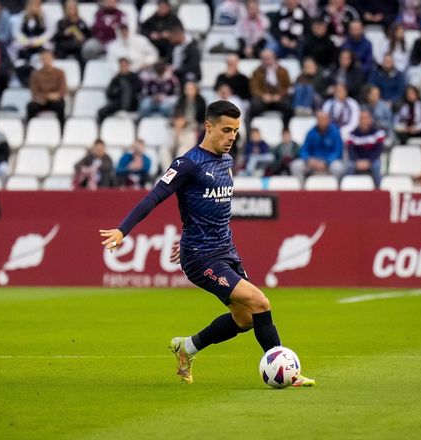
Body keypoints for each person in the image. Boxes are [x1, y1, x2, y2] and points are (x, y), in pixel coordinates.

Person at [99, 100, 315, 387]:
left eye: (236, 131)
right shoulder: (187, 164)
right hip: (201, 257)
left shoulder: (226, 161)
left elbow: (206, 208)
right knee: (260, 302)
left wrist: (188, 234)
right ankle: (287, 372)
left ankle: (187, 347)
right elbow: (153, 197)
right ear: (208, 126)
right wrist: (123, 230)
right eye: (226, 130)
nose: (232, 137)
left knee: (246, 318)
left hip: (226, 250)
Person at [290, 110, 345, 184]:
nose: (322, 122)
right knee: (296, 165)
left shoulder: (335, 133)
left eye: (324, 119)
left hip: (329, 163)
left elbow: (338, 151)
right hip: (312, 162)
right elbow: (303, 150)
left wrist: (326, 161)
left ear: (328, 120)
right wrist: (309, 160)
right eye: (320, 119)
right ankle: (302, 189)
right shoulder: (311, 132)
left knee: (338, 167)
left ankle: (336, 190)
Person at [27, 50, 67, 130]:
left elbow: (63, 89)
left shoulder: (59, 73)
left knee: (60, 105)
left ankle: (62, 129)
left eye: (48, 58)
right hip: (41, 101)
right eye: (44, 58)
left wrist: (56, 95)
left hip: (55, 100)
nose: (46, 61)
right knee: (30, 107)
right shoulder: (35, 74)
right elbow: (34, 91)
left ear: (52, 59)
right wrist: (48, 96)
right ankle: (30, 129)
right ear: (41, 60)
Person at [249, 48, 292, 125]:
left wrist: (279, 95)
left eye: (268, 58)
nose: (266, 61)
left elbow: (287, 87)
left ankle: (286, 129)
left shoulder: (283, 71)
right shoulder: (257, 72)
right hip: (264, 100)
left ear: (274, 58)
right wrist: (263, 96)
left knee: (288, 106)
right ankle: (255, 130)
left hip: (279, 98)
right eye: (264, 59)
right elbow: (254, 88)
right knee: (254, 106)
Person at [345, 110, 385, 187]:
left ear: (370, 119)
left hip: (372, 160)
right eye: (361, 118)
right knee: (349, 166)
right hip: (357, 161)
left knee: (376, 166)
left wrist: (369, 161)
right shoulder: (352, 134)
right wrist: (357, 161)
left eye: (366, 118)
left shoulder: (378, 133)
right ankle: (348, 189)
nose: (364, 121)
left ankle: (378, 190)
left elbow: (379, 150)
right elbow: (351, 151)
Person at [97, 57, 141, 122]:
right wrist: (118, 91)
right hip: (118, 102)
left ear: (128, 65)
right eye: (121, 66)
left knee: (126, 88)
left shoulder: (134, 77)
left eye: (124, 65)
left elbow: (138, 89)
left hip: (132, 103)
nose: (123, 67)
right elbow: (110, 92)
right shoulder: (116, 78)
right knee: (101, 112)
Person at [51, 0, 90, 64]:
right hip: (64, 45)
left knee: (83, 50)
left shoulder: (81, 22)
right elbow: (54, 37)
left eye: (72, 8)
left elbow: (88, 35)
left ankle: (81, 71)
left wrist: (82, 38)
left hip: (78, 46)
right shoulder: (61, 22)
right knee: (59, 47)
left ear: (76, 9)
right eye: (68, 8)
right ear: (65, 9)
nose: (70, 10)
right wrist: (64, 33)